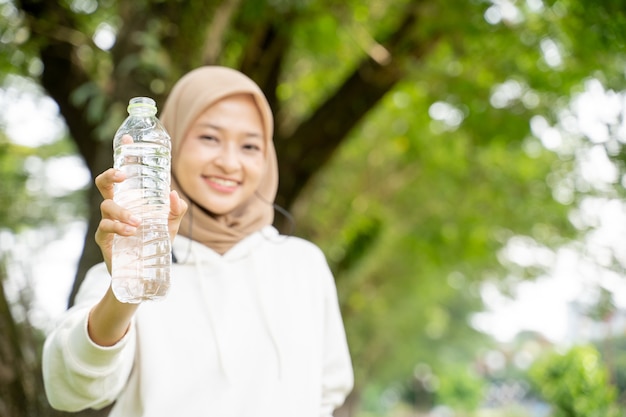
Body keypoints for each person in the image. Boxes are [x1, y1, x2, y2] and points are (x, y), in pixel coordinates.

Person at [42, 66, 354, 417]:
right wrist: (128, 286)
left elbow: (329, 388)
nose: (229, 162)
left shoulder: (302, 264)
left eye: (250, 145)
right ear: (169, 141)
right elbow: (69, 390)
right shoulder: (125, 267)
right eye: (209, 138)